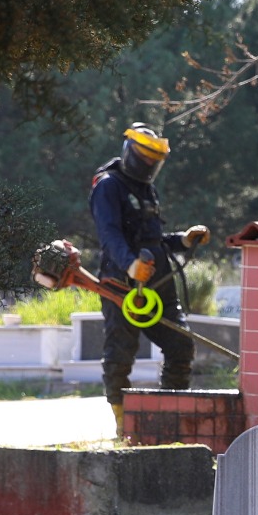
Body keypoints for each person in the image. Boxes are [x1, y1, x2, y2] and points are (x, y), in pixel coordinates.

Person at [89, 123, 192, 429]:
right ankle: (123, 420)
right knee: (120, 351)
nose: (149, 164)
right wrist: (130, 264)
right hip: (120, 283)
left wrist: (183, 241)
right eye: (144, 157)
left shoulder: (147, 189)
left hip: (160, 281)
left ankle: (171, 415)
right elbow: (109, 234)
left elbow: (153, 239)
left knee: (181, 344)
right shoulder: (108, 185)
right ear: (130, 152)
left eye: (154, 160)